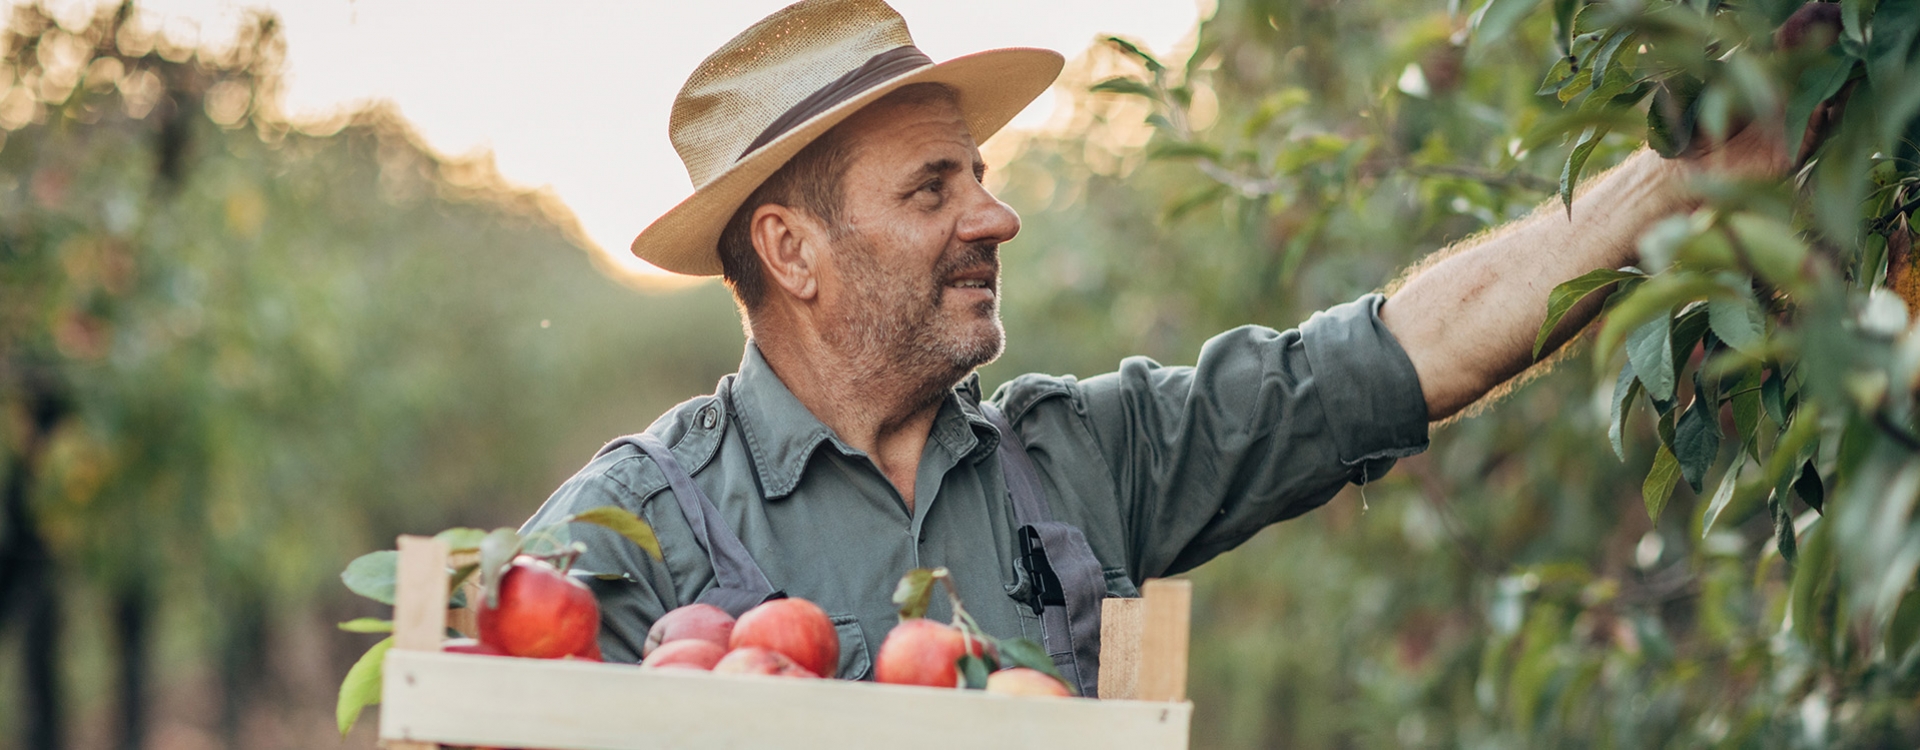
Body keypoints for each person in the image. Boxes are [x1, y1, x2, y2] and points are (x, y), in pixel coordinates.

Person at [521, 0, 1784, 687]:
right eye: (932, 190)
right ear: (792, 253)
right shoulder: (633, 530)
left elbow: (1388, 361)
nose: (995, 215)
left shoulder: (1081, 459)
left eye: (984, 174)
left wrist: (1676, 184)